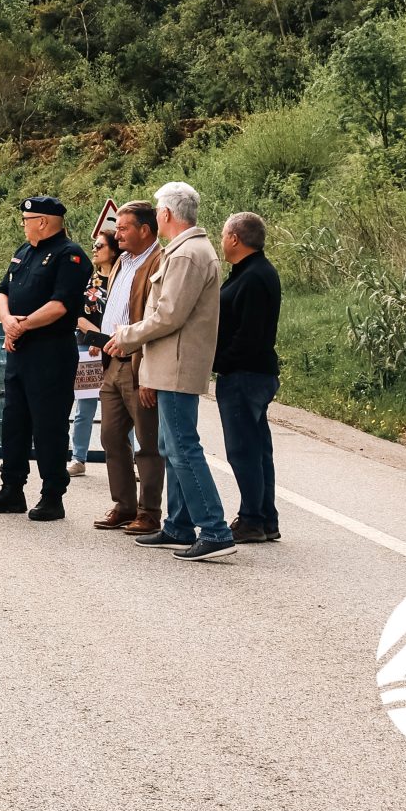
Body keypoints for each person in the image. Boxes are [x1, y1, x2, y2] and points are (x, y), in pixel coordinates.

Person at [104, 181, 231, 561]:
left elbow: (168, 314)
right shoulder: (184, 251)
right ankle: (178, 525)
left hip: (177, 364)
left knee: (183, 448)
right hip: (166, 363)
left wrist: (127, 335)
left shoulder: (188, 254)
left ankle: (214, 529)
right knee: (168, 447)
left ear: (164, 215)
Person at [0, 196, 90, 521]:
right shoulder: (23, 251)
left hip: (50, 353)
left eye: (26, 219)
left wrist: (21, 325)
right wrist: (8, 322)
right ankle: (12, 488)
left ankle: (52, 495)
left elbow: (61, 305)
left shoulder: (69, 256)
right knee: (14, 423)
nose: (23, 224)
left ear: (42, 221)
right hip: (19, 351)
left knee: (48, 426)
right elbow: (1, 292)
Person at [93, 202, 165, 534]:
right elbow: (116, 307)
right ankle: (124, 505)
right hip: (113, 361)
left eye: (123, 228)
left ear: (145, 230)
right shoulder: (122, 260)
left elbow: (156, 321)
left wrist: (149, 370)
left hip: (138, 362)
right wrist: (101, 337)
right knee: (110, 436)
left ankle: (149, 511)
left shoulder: (159, 261)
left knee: (147, 442)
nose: (117, 233)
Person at [213, 212, 283, 543]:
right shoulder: (249, 272)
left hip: (245, 373)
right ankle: (266, 518)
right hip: (252, 371)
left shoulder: (254, 277)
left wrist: (219, 362)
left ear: (235, 239)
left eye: (224, 235)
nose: (222, 241)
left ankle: (252, 518)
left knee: (243, 450)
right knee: (257, 449)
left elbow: (249, 335)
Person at [68, 231, 119, 475]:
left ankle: (127, 457)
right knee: (84, 407)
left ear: (113, 249)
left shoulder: (124, 279)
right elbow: (78, 316)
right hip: (86, 348)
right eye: (94, 245)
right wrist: (99, 338)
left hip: (118, 348)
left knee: (121, 407)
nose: (95, 249)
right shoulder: (88, 280)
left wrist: (107, 340)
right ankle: (78, 457)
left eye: (100, 245)